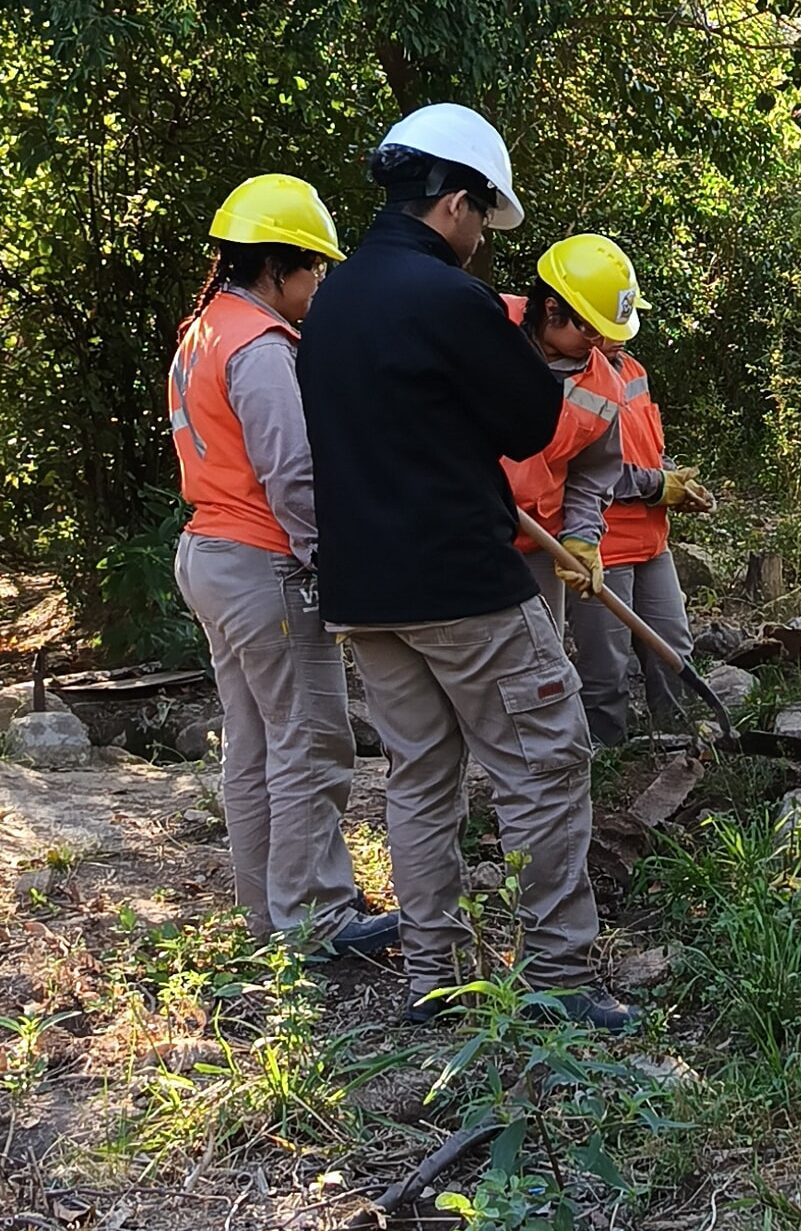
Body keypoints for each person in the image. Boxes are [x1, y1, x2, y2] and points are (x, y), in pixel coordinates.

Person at [295, 104, 630, 1030]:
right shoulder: (450, 298)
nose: (484, 236)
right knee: (548, 760)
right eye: (484, 215)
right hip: (459, 583)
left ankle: (432, 976)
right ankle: (559, 976)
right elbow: (530, 423)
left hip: (364, 593)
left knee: (418, 776)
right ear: (453, 200)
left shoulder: (331, 303)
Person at [168, 174, 397, 957]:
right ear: (276, 267)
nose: (321, 285)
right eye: (315, 269)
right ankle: (316, 921)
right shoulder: (260, 349)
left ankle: (270, 914)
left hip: (210, 554)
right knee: (312, 741)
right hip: (262, 562)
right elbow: (291, 473)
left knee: (256, 743)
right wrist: (330, 560)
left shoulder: (205, 331)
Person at [569, 298, 711, 746]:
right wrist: (657, 485)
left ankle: (676, 744)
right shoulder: (569, 376)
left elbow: (646, 450)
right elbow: (585, 471)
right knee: (605, 670)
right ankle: (605, 764)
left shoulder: (632, 370)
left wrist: (676, 483)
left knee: (673, 647)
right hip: (599, 546)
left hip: (652, 543)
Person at [502, 234, 637, 629]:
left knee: (542, 667)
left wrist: (581, 534)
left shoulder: (604, 387)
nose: (599, 343)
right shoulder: (487, 322)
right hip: (457, 532)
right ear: (551, 307)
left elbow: (592, 475)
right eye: (590, 330)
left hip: (535, 542)